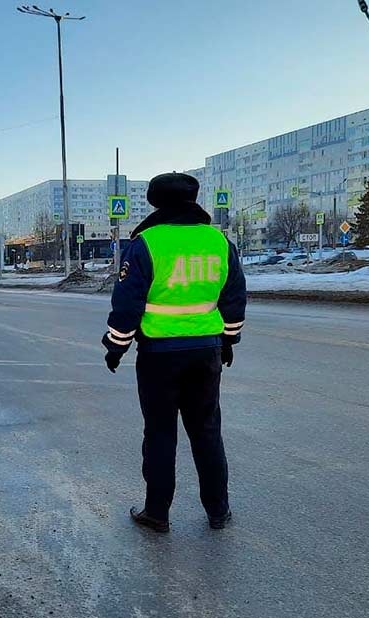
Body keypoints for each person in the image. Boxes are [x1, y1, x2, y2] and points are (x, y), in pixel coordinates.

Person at [102, 173, 246, 533]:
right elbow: (234, 296)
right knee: (207, 431)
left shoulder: (145, 243)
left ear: (154, 202)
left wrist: (116, 347)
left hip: (159, 355)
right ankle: (218, 510)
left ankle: (157, 513)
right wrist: (228, 340)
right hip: (207, 351)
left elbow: (127, 303)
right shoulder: (218, 241)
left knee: (161, 433)